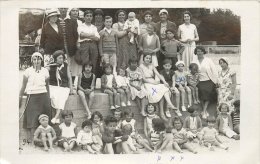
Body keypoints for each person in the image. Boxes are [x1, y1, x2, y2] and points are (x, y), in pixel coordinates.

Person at [19, 52, 51, 144]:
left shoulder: (45, 71)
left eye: (39, 59)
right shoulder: (28, 71)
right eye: (34, 59)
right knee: (33, 118)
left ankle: (44, 139)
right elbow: (23, 85)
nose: (37, 61)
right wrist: (20, 97)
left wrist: (48, 98)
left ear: (41, 60)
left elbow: (47, 86)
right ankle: (35, 140)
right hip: (32, 96)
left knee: (44, 117)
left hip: (43, 96)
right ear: (32, 60)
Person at [48, 50, 73, 124]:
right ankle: (57, 118)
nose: (61, 60)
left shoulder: (66, 65)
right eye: (59, 58)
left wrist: (71, 88)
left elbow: (69, 77)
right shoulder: (51, 66)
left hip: (64, 87)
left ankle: (56, 117)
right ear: (55, 59)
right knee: (54, 97)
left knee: (62, 98)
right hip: (54, 86)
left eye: (62, 58)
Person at [192, 46, 218, 119]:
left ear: (203, 52)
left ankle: (204, 110)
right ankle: (204, 111)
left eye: (201, 51)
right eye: (197, 51)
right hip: (199, 81)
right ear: (196, 53)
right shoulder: (194, 61)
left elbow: (214, 70)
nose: (199, 52)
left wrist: (216, 81)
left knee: (208, 91)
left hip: (209, 80)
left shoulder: (208, 60)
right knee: (201, 92)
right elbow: (191, 72)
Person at [63, 8, 82, 79]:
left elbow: (80, 34)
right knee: (68, 63)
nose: (75, 12)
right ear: (70, 12)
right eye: (73, 11)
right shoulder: (66, 21)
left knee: (77, 63)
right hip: (68, 45)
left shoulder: (80, 22)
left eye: (76, 11)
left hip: (78, 45)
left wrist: (78, 43)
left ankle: (76, 82)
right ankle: (68, 81)